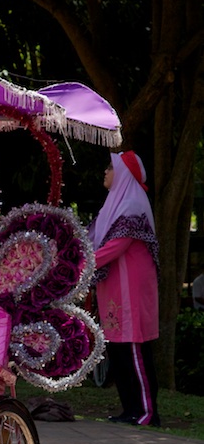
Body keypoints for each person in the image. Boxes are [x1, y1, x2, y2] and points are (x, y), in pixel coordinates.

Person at [88, 151, 160, 426]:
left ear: (123, 174)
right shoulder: (114, 205)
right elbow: (93, 238)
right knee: (119, 351)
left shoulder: (132, 205)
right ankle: (130, 410)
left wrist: (81, 265)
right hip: (115, 289)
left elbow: (115, 246)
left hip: (130, 290)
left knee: (133, 349)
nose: (105, 173)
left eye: (110, 168)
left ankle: (146, 413)